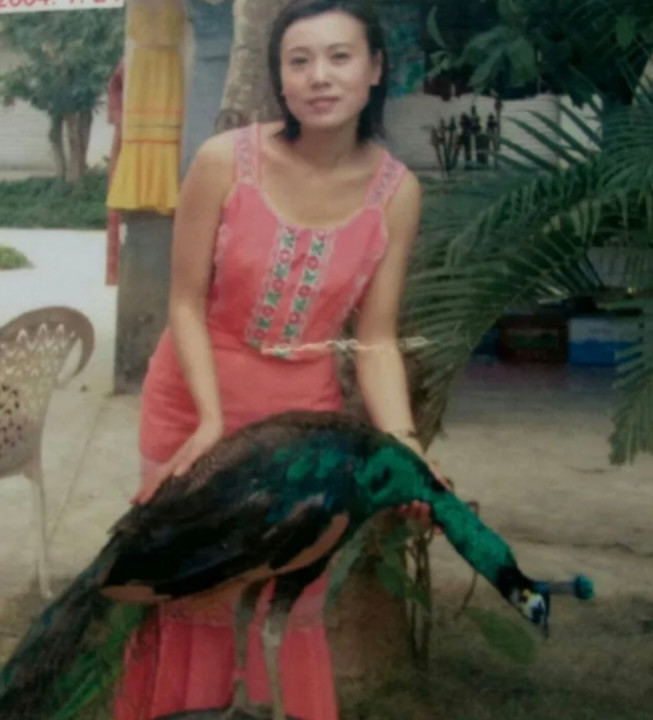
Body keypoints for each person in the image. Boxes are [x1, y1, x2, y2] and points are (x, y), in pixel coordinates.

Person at [114, 1, 438, 718]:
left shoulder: (397, 193)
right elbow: (184, 303)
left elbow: (376, 338)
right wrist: (210, 422)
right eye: (299, 60)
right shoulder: (223, 161)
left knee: (282, 599)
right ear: (280, 79)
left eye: (340, 56)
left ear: (375, 69)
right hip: (192, 406)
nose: (319, 76)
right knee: (190, 588)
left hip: (302, 428)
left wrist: (405, 444)